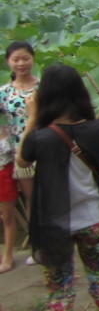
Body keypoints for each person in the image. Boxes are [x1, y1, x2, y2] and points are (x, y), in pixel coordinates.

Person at [17, 64, 99, 311]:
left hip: (55, 227)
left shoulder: (41, 138)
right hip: (93, 220)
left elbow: (22, 161)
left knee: (60, 295)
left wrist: (33, 117)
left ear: (45, 95)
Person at [0, 41, 39, 273]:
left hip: (40, 149)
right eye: (16, 59)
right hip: (15, 151)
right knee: (22, 201)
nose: (21, 63)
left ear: (33, 59)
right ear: (8, 62)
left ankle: (37, 246)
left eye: (25, 58)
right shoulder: (3, 92)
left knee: (36, 199)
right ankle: (11, 254)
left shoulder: (42, 87)